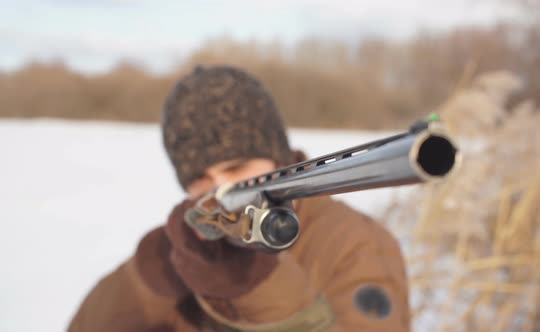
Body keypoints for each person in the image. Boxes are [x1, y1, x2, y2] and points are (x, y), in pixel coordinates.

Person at [68, 66, 411, 332]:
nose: (219, 189)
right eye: (201, 178)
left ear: (276, 157)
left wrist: (258, 286)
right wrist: (154, 272)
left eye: (236, 168)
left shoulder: (355, 242)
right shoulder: (189, 246)